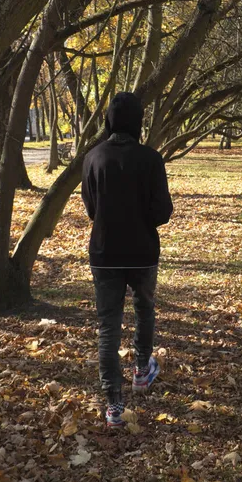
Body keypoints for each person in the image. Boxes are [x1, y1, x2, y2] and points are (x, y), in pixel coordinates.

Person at [82, 92, 173, 428]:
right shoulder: (151, 159)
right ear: (139, 121)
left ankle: (114, 407)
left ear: (108, 120)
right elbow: (162, 211)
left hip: (105, 251)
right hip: (142, 251)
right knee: (144, 309)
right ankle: (140, 371)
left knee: (108, 326)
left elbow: (92, 209)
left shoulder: (92, 157)